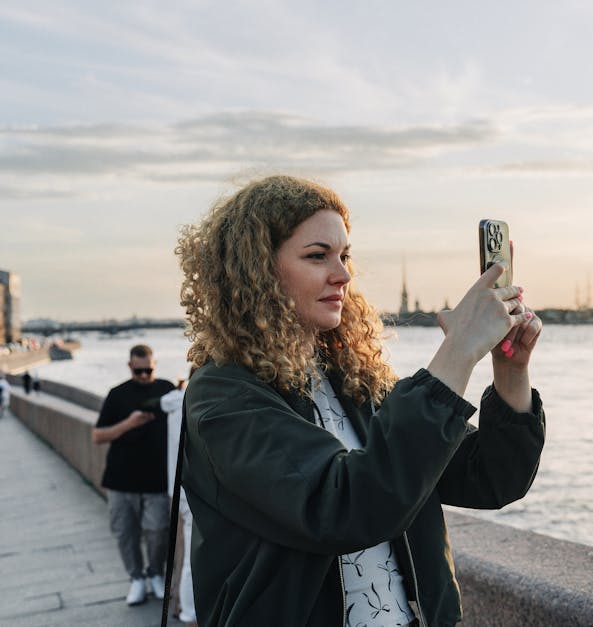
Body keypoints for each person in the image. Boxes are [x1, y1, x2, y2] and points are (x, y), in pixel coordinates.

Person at [175, 175, 545, 626]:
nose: (343, 274)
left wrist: (511, 370)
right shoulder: (224, 396)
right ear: (256, 271)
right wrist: (458, 350)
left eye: (344, 256)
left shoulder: (354, 378)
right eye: (318, 256)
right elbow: (342, 507)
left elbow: (490, 478)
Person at [92, 344, 175, 606]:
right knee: (125, 534)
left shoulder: (167, 389)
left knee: (158, 533)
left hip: (157, 479)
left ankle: (155, 574)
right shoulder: (117, 395)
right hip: (120, 480)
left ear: (155, 364)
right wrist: (129, 423)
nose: (144, 375)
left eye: (148, 370)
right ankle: (136, 579)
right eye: (138, 371)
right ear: (130, 367)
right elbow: (98, 436)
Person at [160, 374, 197, 626]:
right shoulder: (190, 407)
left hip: (177, 490)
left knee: (185, 557)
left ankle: (183, 609)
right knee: (191, 562)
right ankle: (189, 614)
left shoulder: (174, 405)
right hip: (191, 492)